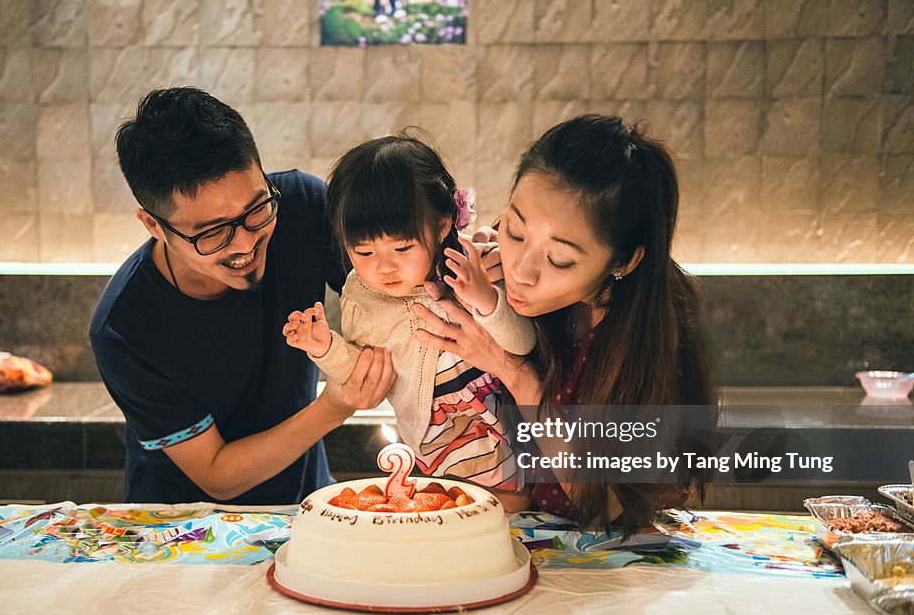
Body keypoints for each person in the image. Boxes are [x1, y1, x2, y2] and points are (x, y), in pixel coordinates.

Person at [412, 114, 717, 533]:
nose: (523, 270)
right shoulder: (500, 271)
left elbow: (606, 505)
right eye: (516, 232)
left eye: (559, 260)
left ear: (624, 261)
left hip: (613, 560)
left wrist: (512, 370)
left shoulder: (653, 334)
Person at [90, 87, 395, 505]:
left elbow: (397, 282)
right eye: (212, 233)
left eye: (256, 210)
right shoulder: (125, 328)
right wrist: (336, 405)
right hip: (186, 532)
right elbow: (218, 475)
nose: (245, 244)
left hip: (302, 507)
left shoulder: (302, 207)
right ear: (154, 225)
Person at [282, 133, 535, 502]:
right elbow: (369, 374)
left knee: (508, 508)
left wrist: (484, 298)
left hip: (508, 414)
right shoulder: (360, 297)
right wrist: (325, 348)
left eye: (402, 247)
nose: (384, 266)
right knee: (458, 511)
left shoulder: (472, 265)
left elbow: (522, 343)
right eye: (363, 251)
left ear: (443, 226)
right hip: (435, 436)